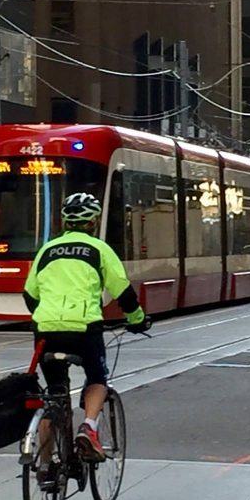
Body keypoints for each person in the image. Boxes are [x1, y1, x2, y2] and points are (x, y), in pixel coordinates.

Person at [23, 192, 149, 464]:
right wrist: (137, 318)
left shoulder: (47, 250)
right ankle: (89, 429)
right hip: (84, 329)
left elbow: (29, 294)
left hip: (46, 330)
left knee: (54, 395)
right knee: (96, 378)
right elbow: (123, 292)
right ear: (93, 222)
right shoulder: (99, 250)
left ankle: (45, 467)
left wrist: (48, 316)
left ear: (65, 222)